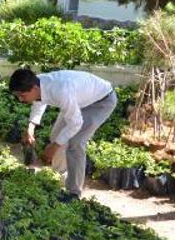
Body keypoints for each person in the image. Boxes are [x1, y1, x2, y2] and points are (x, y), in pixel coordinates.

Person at [9, 68, 118, 198]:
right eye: (18, 96)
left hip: (101, 101)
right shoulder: (38, 82)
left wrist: (54, 147)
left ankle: (73, 193)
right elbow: (38, 101)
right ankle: (60, 175)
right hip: (79, 100)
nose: (21, 100)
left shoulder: (61, 91)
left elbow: (75, 123)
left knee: (75, 143)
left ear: (34, 88)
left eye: (23, 96)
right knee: (56, 136)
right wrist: (30, 127)